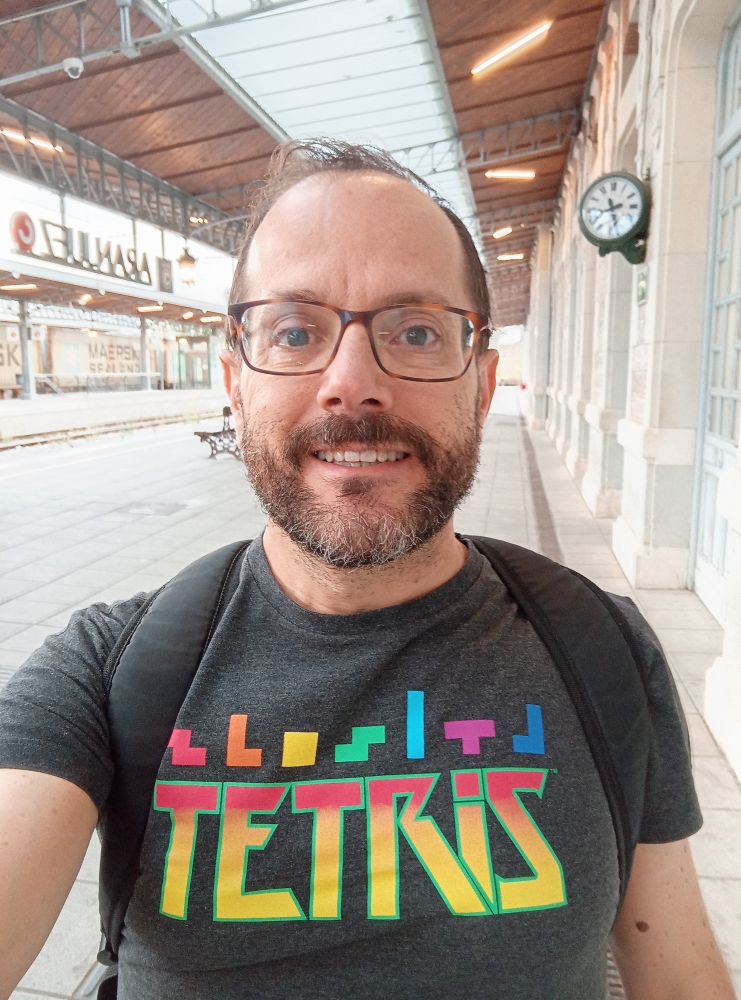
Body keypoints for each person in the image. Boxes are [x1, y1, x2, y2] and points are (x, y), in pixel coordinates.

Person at [0, 139, 734, 1000]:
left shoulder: (600, 646)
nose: (351, 384)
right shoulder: (106, 669)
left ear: (484, 384)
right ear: (234, 382)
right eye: (295, 331)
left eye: (415, 331)